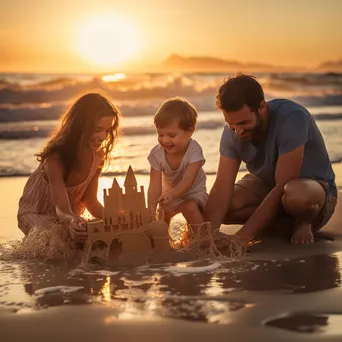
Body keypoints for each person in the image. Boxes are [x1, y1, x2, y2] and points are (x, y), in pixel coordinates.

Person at [205, 73, 337, 246]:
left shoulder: (292, 118)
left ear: (262, 107)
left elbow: (282, 185)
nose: (238, 131)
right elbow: (222, 187)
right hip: (266, 183)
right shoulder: (232, 131)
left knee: (296, 195)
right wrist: (206, 236)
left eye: (244, 123)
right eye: (231, 125)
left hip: (313, 191)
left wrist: (242, 237)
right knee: (226, 207)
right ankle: (278, 225)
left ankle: (303, 223)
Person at [17, 93, 120, 242]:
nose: (103, 136)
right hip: (37, 213)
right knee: (61, 239)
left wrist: (116, 217)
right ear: (80, 126)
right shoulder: (56, 157)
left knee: (100, 236)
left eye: (107, 130)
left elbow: (90, 202)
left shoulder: (98, 156)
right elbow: (62, 209)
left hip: (70, 218)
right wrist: (72, 220)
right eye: (97, 130)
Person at [147, 97, 208, 239]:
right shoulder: (156, 154)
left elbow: (188, 180)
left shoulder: (194, 151)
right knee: (162, 213)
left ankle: (203, 241)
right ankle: (163, 244)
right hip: (170, 195)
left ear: (189, 132)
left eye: (171, 135)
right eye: (160, 134)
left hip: (194, 192)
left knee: (189, 207)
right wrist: (150, 211)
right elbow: (154, 186)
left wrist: (172, 195)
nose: (165, 140)